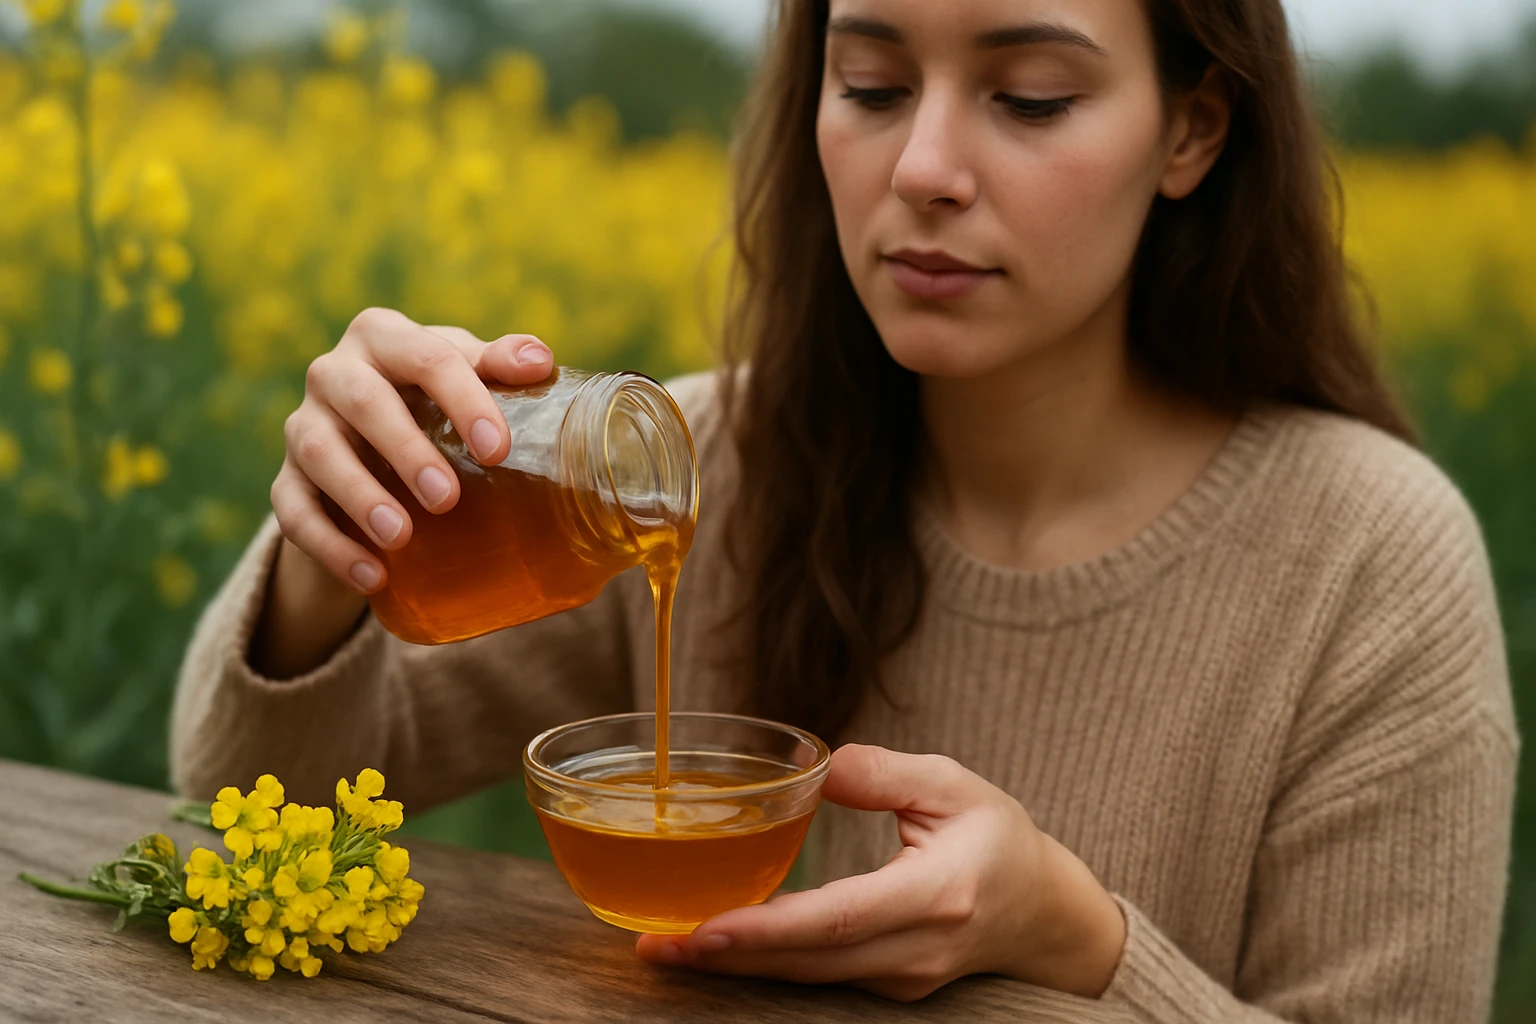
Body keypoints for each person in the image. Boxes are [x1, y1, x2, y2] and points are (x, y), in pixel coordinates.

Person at [171, 0, 1518, 1016]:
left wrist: (1077, 948)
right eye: (870, 83)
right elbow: (250, 812)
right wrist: (329, 553)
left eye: (1032, 97)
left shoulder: (1370, 566)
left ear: (1191, 128)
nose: (923, 163)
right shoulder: (693, 473)